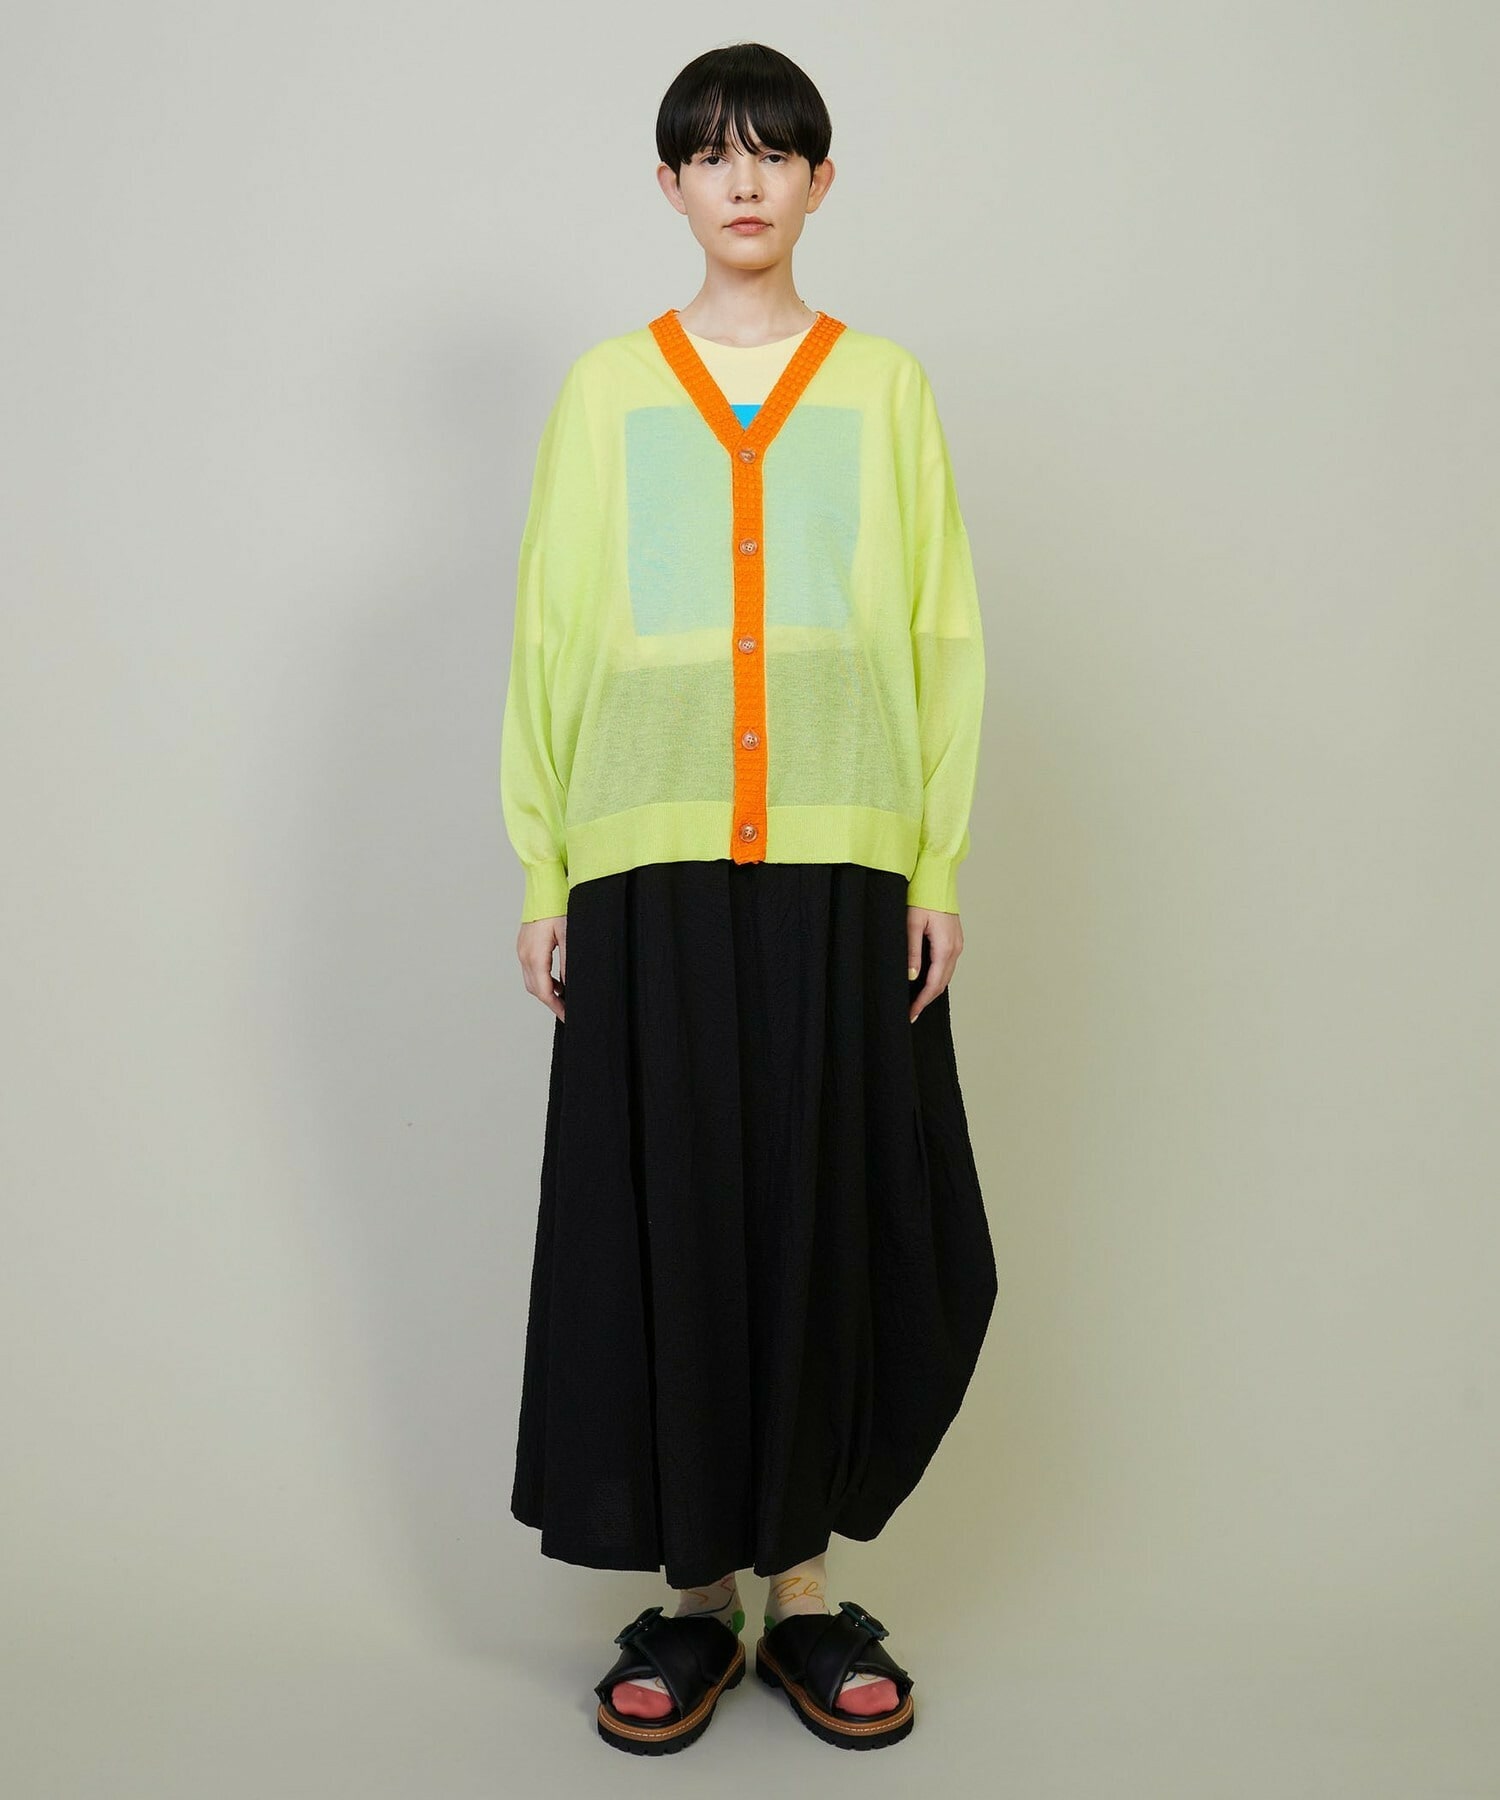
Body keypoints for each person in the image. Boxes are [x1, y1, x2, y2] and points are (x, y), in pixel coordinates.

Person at [500, 41, 998, 1755]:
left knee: (823, 1208)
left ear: (818, 182)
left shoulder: (885, 389)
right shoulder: (605, 393)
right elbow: (557, 627)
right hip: (643, 859)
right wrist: (545, 861)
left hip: (845, 858)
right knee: (676, 1212)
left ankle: (803, 1594)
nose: (743, 181)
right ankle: (695, 1599)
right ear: (669, 186)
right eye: (710, 155)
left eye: (773, 153)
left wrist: (934, 859)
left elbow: (938, 626)